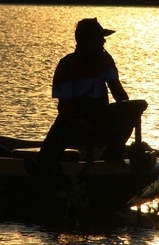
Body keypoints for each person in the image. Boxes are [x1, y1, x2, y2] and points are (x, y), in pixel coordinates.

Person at [27, 18, 130, 174]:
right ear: (86, 41)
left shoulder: (106, 61)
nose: (103, 41)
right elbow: (65, 107)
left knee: (128, 118)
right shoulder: (66, 65)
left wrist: (127, 111)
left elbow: (119, 95)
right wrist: (88, 126)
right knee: (60, 128)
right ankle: (43, 164)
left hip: (100, 115)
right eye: (99, 37)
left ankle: (110, 161)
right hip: (74, 119)